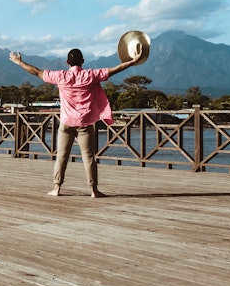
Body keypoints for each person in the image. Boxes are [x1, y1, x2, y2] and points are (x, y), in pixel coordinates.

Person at [9, 45, 143, 198]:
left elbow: (36, 72)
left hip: (66, 123)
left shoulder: (60, 76)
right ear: (83, 61)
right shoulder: (90, 75)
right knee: (89, 157)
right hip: (85, 123)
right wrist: (133, 61)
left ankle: (57, 188)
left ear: (67, 62)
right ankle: (94, 190)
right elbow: (116, 69)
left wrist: (19, 62)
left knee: (61, 156)